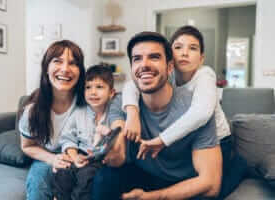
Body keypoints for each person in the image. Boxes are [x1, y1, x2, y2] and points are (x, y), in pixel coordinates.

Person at [92, 31, 222, 200]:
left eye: (154, 57)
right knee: (104, 178)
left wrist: (155, 196)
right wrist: (108, 148)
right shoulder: (123, 101)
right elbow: (119, 157)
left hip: (184, 182)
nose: (144, 64)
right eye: (137, 59)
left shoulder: (196, 107)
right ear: (131, 68)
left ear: (169, 68)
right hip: (144, 174)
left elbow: (211, 184)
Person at [122, 25, 247, 198]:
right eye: (178, 47)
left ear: (202, 58)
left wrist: (161, 140)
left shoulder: (205, 75)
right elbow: (131, 85)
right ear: (170, 58)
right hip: (188, 140)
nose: (184, 53)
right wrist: (132, 112)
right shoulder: (167, 75)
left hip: (218, 140)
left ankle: (239, 168)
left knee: (210, 189)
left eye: (193, 48)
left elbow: (201, 113)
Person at [18, 40, 86, 200]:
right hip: (48, 157)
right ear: (46, 68)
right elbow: (27, 146)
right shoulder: (31, 110)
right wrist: (53, 159)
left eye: (73, 63)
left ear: (80, 71)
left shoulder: (89, 104)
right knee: (38, 182)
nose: (65, 69)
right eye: (57, 61)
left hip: (81, 157)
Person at [51, 65, 122, 200]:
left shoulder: (114, 114)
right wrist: (74, 157)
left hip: (100, 160)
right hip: (80, 155)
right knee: (63, 172)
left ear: (111, 93)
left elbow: (116, 141)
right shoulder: (79, 112)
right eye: (88, 87)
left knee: (87, 177)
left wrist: (107, 134)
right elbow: (68, 139)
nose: (93, 92)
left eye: (99, 87)